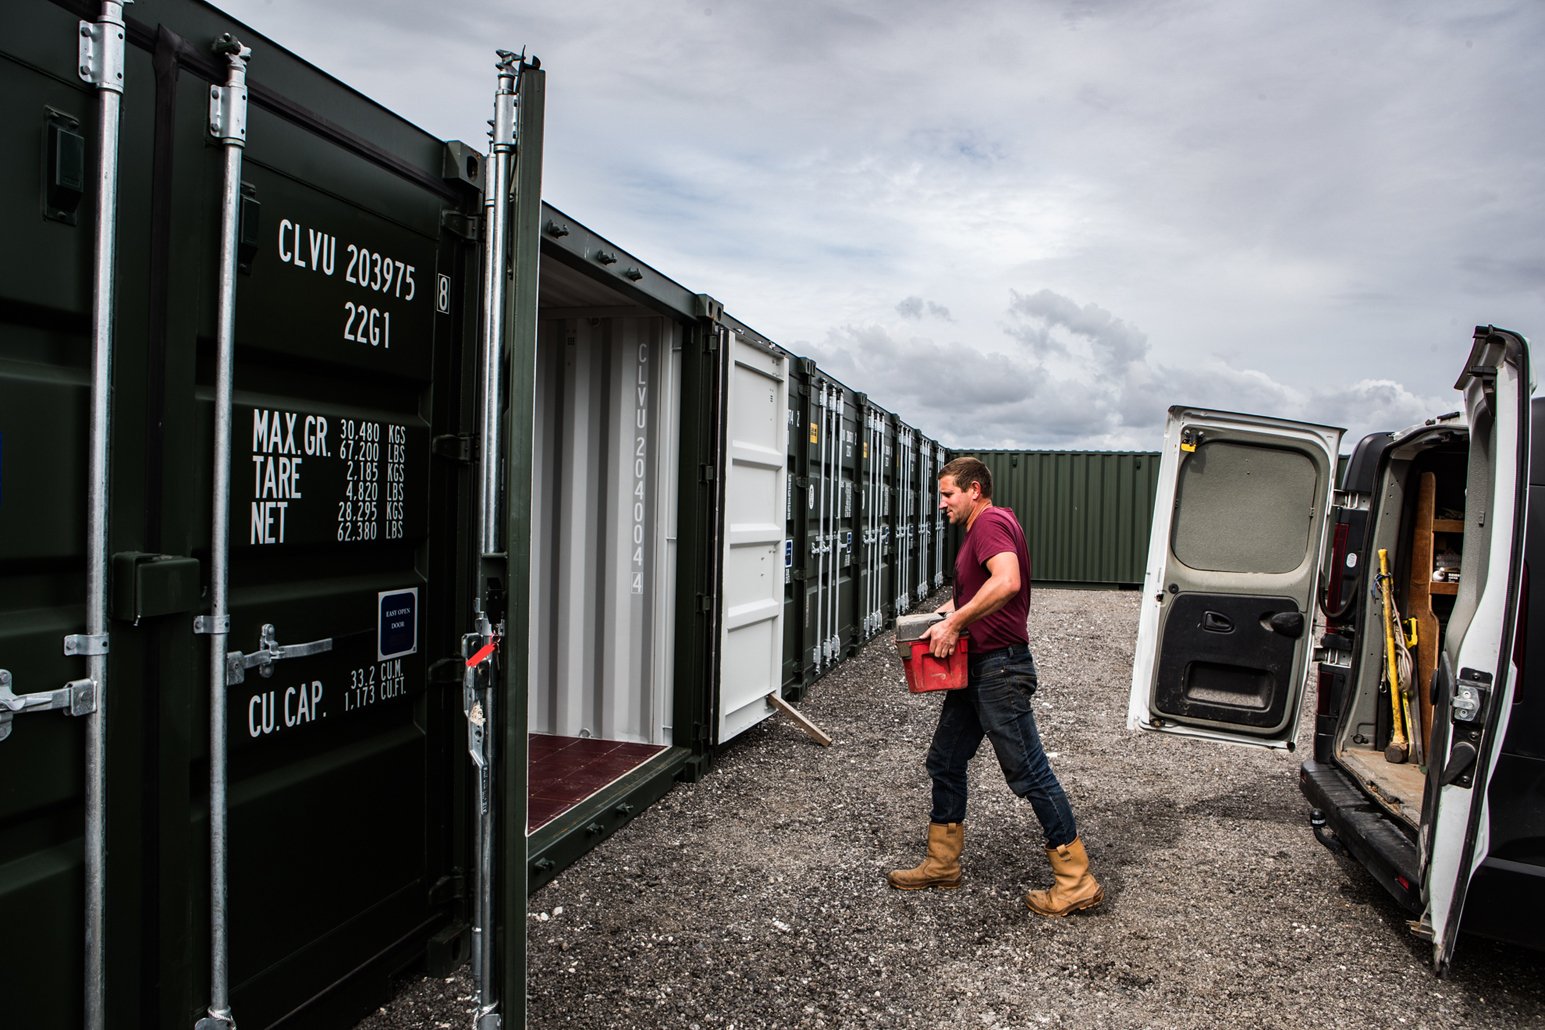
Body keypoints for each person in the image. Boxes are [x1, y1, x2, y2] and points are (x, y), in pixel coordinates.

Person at [886, 456, 1102, 917]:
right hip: (976, 668)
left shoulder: (988, 524)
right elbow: (977, 591)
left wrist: (956, 623)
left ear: (975, 490)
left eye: (947, 494)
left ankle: (1075, 880)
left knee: (1029, 773)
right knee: (945, 760)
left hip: (999, 671)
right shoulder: (985, 528)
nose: (940, 503)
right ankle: (942, 863)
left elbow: (1007, 582)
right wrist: (944, 616)